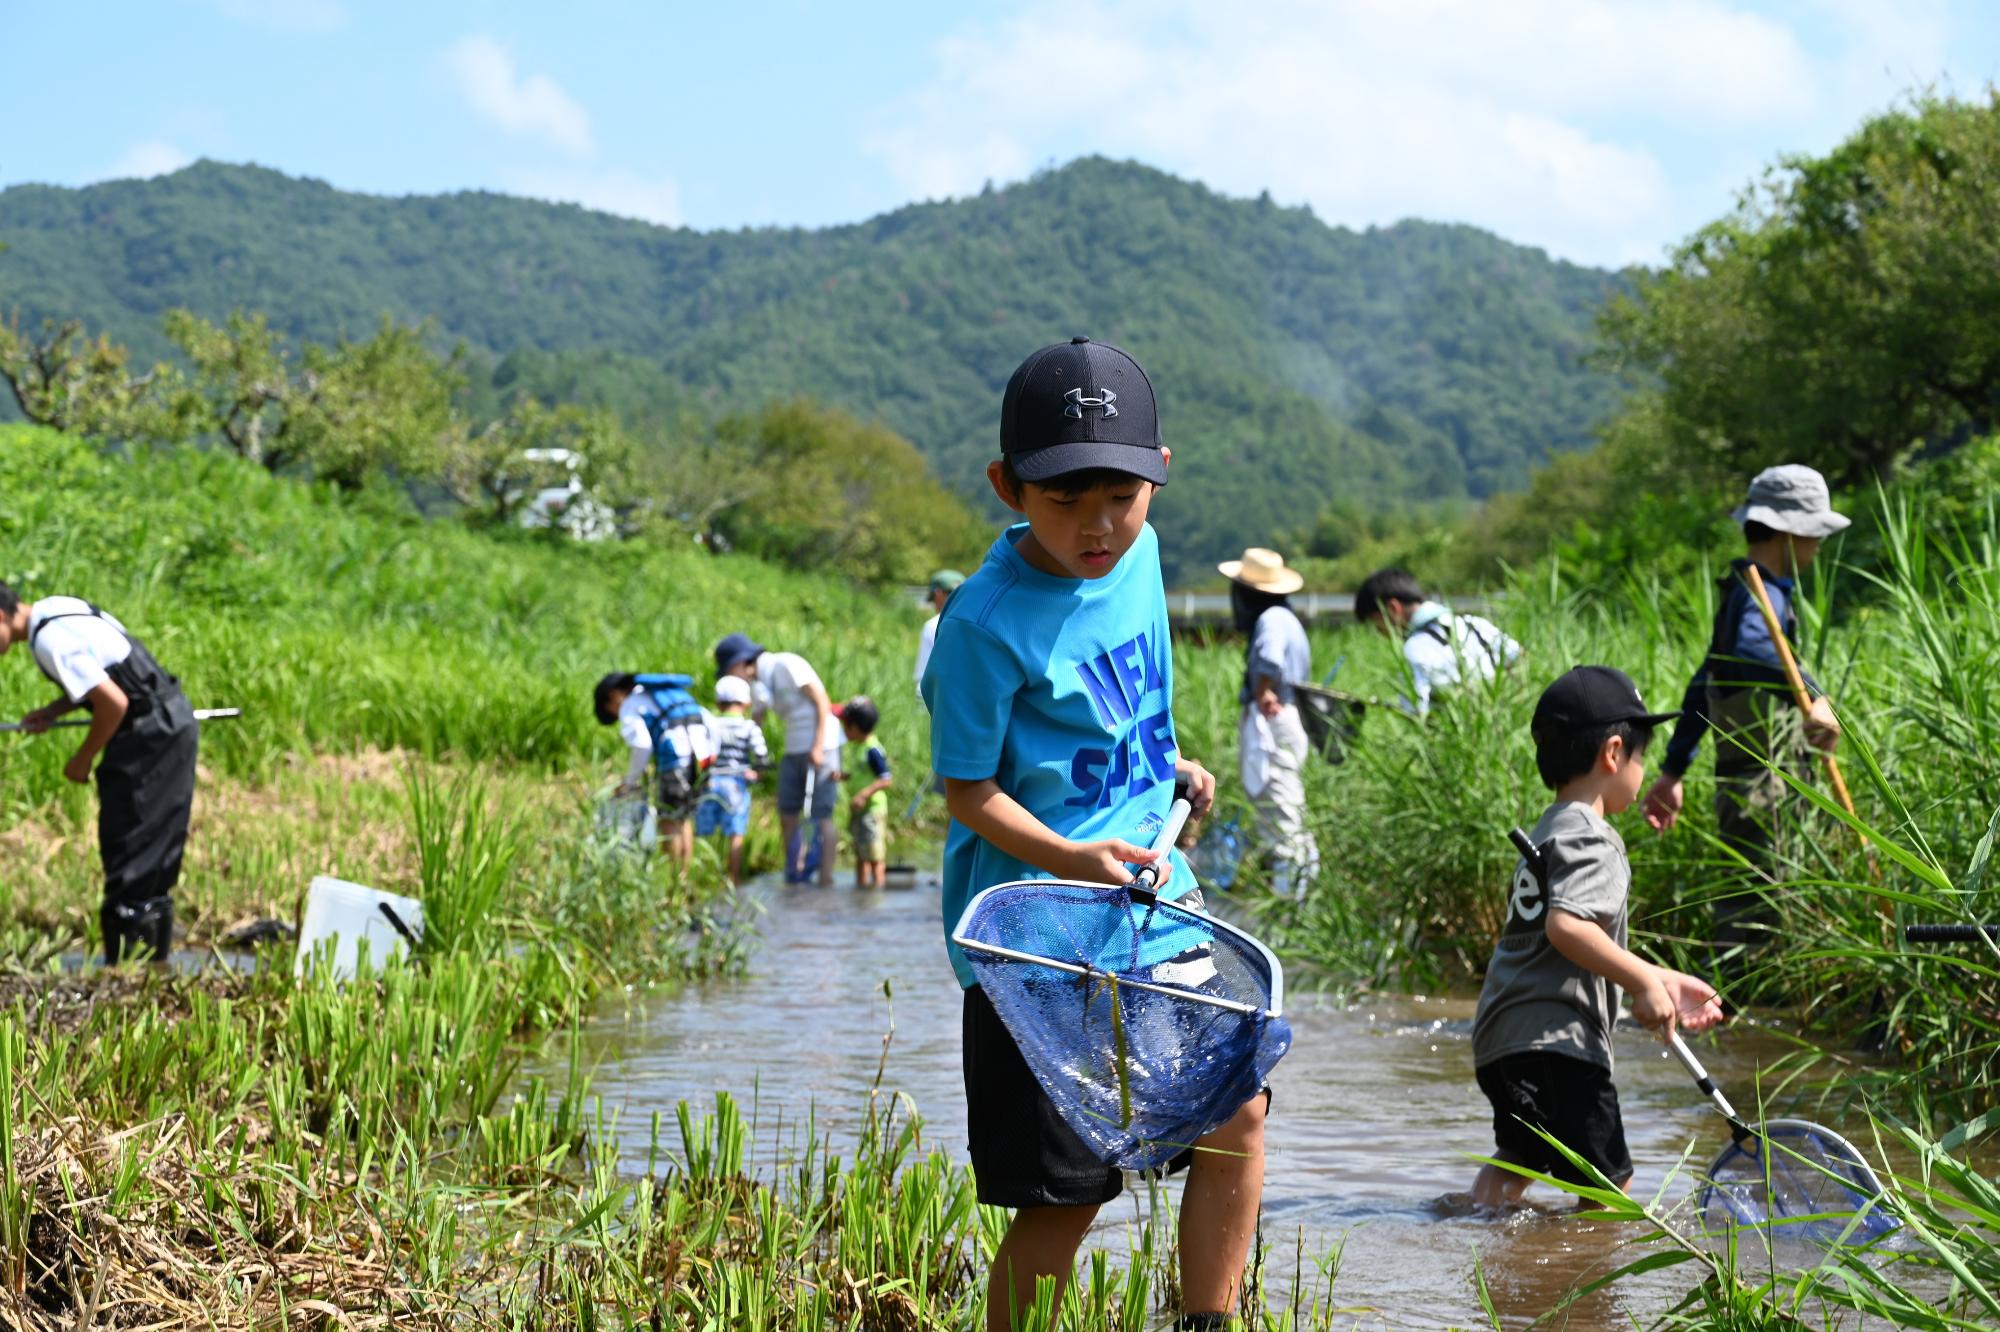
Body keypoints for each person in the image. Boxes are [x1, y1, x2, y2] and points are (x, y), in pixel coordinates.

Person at [922, 336, 1250, 1332]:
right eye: (1064, 502)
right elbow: (966, 791)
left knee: (1236, 1111)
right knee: (1063, 1197)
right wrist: (1070, 855)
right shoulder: (981, 628)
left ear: (1157, 477)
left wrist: (1170, 763)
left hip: (1154, 902)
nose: (1097, 527)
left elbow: (1126, 698)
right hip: (1037, 938)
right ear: (1006, 487)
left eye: (1119, 497)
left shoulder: (1141, 555)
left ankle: (1209, 1319)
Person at [1470, 665, 1724, 1209]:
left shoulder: (1550, 828)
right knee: (1611, 1191)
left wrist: (1664, 980)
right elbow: (1568, 927)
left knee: (1518, 1164)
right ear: (1614, 753)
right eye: (1641, 755)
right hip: (1560, 1044)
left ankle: (1466, 1233)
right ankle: (1583, 1288)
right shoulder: (1596, 838)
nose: (1642, 769)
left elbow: (1566, 940)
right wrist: (1640, 983)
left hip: (1502, 1040)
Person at [1642, 465, 1848, 982]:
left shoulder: (1742, 591)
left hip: (1746, 785)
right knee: (1761, 903)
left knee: (1749, 897)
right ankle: (1738, 1013)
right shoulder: (1763, 597)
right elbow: (1752, 650)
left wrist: (1673, 770)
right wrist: (1817, 696)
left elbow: (1704, 683)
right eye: (1816, 534)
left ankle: (1731, 1007)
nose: (1819, 547)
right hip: (1764, 788)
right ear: (1790, 532)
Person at [0, 585, 198, 964]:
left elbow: (114, 703)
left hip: (148, 735)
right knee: (154, 858)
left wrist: (82, 759)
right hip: (171, 720)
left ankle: (128, 974)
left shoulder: (49, 642)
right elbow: (104, 673)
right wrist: (54, 711)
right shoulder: (57, 609)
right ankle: (150, 973)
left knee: (131, 851)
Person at [1218, 547, 1319, 898]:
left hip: (1273, 719)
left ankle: (1290, 897)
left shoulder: (1271, 619)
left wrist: (1263, 692)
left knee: (1279, 806)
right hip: (1288, 719)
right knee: (1286, 802)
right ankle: (1297, 889)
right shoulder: (1287, 616)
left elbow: (1269, 658)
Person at [713, 632, 841, 886]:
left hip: (822, 745)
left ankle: (826, 879)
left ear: (741, 662)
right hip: (793, 747)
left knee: (821, 814)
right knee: (787, 812)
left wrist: (817, 746)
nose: (731, 678)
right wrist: (750, 762)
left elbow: (821, 700)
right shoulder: (757, 683)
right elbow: (756, 721)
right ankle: (793, 873)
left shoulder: (786, 664)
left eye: (729, 671)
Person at [1353, 567, 1520, 715]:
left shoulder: (1415, 647)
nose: (1378, 631)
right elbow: (1518, 657)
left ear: (1393, 608)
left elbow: (1417, 713)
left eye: (1376, 623)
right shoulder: (1474, 623)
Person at [593, 672, 715, 866]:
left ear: (614, 695)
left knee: (668, 821)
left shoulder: (630, 705)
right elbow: (708, 720)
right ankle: (683, 879)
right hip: (698, 762)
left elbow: (642, 745)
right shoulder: (665, 695)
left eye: (609, 707)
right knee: (683, 820)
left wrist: (629, 782)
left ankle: (673, 881)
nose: (615, 712)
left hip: (674, 762)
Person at [699, 674, 768, 883]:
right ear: (746, 703)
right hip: (736, 784)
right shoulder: (749, 727)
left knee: (704, 832)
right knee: (735, 833)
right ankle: (733, 878)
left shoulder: (711, 724)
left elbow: (702, 753)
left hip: (710, 782)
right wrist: (758, 774)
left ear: (718, 703)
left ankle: (703, 876)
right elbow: (761, 756)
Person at [839, 696, 893, 888]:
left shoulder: (873, 750)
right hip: (859, 811)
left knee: (875, 855)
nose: (844, 731)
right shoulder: (858, 747)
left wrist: (863, 794)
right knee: (860, 854)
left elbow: (886, 779)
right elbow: (860, 774)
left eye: (846, 726)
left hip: (872, 811)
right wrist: (843, 776)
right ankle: (861, 889)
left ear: (856, 727)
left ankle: (877, 890)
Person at [913, 569, 965, 706]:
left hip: (941, 703)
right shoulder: (979, 624)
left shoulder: (932, 626)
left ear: (938, 593)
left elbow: (923, 678)